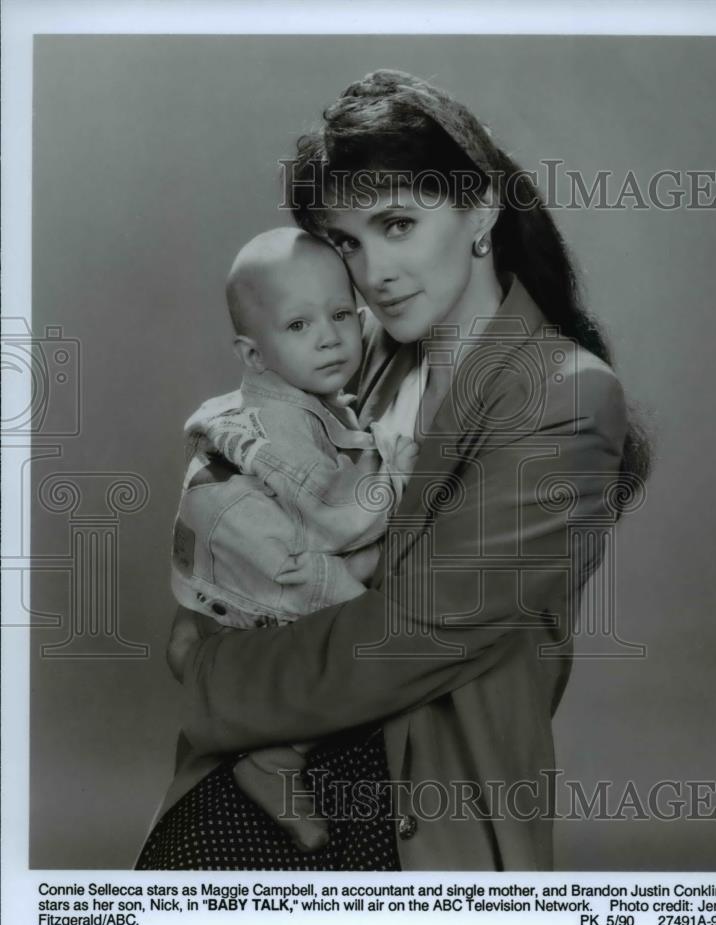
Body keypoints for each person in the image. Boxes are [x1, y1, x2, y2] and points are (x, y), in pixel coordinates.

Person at [137, 68, 650, 872]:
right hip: (270, 755)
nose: (372, 273)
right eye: (347, 240)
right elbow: (244, 459)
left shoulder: (568, 398)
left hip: (416, 800)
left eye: (398, 224)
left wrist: (207, 670)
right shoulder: (359, 347)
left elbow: (412, 637)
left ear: (481, 210)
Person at [168, 226, 419, 852]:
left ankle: (275, 746)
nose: (331, 337)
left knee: (364, 601)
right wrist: (402, 460)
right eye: (299, 326)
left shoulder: (306, 395)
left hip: (249, 564)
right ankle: (276, 757)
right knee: (366, 636)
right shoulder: (279, 429)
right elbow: (342, 517)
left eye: (340, 314)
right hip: (261, 584)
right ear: (254, 356)